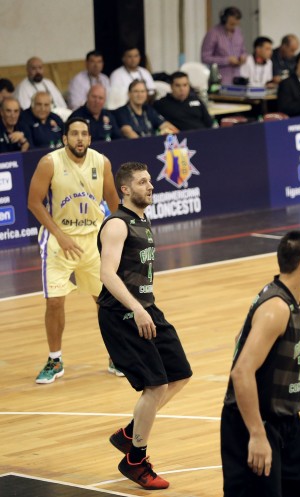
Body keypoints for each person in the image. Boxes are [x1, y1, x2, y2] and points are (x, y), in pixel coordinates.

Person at [98, 162, 192, 490]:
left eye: (150, 180)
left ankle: (129, 433)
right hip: (122, 315)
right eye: (142, 182)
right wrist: (137, 308)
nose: (150, 186)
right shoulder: (116, 225)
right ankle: (135, 460)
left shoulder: (142, 219)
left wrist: (144, 307)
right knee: (155, 385)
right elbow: (107, 274)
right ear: (125, 189)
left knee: (179, 373)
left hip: (146, 308)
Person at [220, 230, 300, 497]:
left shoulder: (283, 298)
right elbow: (241, 372)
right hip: (254, 423)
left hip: (287, 422)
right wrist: (257, 433)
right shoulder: (277, 308)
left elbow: (239, 338)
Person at [26, 117, 120, 384]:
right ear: (65, 138)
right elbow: (34, 202)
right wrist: (60, 235)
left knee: (105, 301)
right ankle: (55, 359)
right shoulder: (49, 162)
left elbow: (113, 200)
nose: (80, 138)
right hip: (59, 241)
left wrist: (119, 232)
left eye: (84, 134)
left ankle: (116, 355)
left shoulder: (101, 162)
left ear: (89, 138)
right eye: (74, 134)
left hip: (93, 240)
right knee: (55, 301)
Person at [201, 6, 248, 85]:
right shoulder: (213, 33)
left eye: (236, 24)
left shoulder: (238, 32)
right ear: (224, 20)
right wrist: (227, 60)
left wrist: (243, 57)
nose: (234, 27)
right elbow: (205, 58)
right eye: (231, 24)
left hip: (236, 78)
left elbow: (243, 50)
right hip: (219, 79)